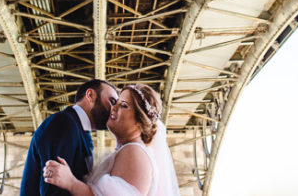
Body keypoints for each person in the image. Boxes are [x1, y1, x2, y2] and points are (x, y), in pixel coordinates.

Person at [42, 84, 181, 196]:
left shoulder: (134, 152)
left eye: (124, 105)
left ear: (140, 122)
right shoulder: (128, 150)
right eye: (116, 102)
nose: (113, 108)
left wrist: (71, 183)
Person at [20, 79, 119, 196]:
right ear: (90, 95)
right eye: (112, 101)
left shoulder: (78, 130)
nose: (114, 110)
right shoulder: (64, 123)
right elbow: (53, 190)